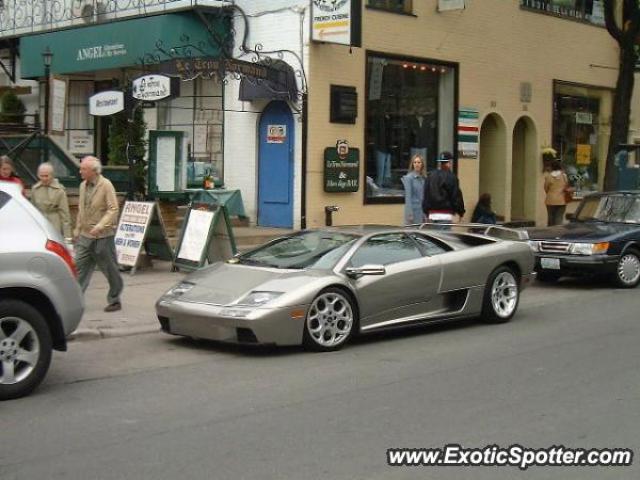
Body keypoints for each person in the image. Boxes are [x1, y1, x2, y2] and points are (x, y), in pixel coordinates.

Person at [74, 156, 123, 312]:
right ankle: (75, 300)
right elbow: (81, 209)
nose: (80, 171)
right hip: (85, 235)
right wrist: (77, 228)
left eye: (83, 169)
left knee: (110, 269)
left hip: (103, 236)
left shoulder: (106, 185)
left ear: (94, 171)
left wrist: (101, 226)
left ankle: (115, 299)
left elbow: (113, 209)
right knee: (78, 268)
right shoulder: (82, 186)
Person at [422, 151, 465, 227]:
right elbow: (456, 197)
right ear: (449, 162)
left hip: (432, 214)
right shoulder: (452, 177)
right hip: (445, 214)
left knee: (433, 237)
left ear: (439, 162)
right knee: (443, 237)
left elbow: (426, 195)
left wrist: (426, 212)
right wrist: (461, 212)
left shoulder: (430, 176)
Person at [31, 162, 72, 239]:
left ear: (52, 175)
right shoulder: (35, 189)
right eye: (41, 176)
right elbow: (32, 211)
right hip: (40, 225)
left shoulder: (59, 190)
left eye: (46, 176)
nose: (44, 178)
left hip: (55, 224)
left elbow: (65, 215)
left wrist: (68, 237)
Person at [401, 154, 426, 224]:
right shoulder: (409, 178)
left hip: (421, 212)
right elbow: (408, 197)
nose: (417, 164)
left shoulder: (423, 178)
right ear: (412, 164)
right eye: (415, 162)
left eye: (419, 162)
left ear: (422, 164)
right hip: (413, 211)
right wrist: (409, 213)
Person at [544, 160, 569, 226]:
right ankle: (557, 232)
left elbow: (546, 188)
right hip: (561, 200)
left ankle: (550, 232)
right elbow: (566, 185)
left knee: (550, 218)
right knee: (559, 218)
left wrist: (550, 193)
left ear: (551, 167)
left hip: (550, 199)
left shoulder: (549, 176)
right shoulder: (564, 176)